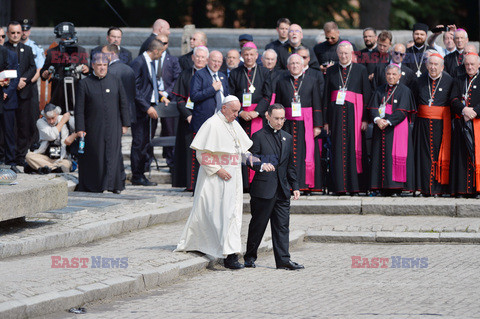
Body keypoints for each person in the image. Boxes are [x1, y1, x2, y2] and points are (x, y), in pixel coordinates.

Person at [175, 96, 253, 270]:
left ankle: (230, 253)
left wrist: (250, 158)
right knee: (215, 214)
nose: (236, 114)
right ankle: (228, 255)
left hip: (233, 178)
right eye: (233, 111)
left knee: (231, 214)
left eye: (238, 111)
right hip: (215, 178)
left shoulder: (233, 123)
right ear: (224, 108)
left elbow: (241, 148)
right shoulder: (211, 124)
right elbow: (201, 154)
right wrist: (218, 169)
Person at [244, 103, 303, 270]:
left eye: (282, 118)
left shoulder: (288, 137)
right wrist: (261, 165)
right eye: (276, 118)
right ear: (267, 116)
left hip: (282, 190)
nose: (279, 122)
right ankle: (249, 257)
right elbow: (250, 158)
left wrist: (295, 186)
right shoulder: (258, 136)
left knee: (282, 226)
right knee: (258, 225)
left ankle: (283, 260)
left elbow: (290, 165)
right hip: (263, 190)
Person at [75, 53, 131, 193]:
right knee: (97, 155)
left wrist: (125, 123)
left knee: (113, 155)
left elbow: (123, 102)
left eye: (104, 65)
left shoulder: (115, 80)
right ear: (93, 65)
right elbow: (79, 109)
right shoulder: (84, 83)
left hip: (114, 125)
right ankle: (97, 185)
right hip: (93, 126)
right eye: (99, 65)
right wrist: (80, 128)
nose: (102, 68)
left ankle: (113, 185)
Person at [323, 41, 372, 195]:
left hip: (355, 118)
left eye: (346, 53)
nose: (343, 56)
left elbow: (366, 95)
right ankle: (338, 187)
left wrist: (365, 119)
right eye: (341, 53)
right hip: (336, 118)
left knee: (354, 149)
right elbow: (325, 97)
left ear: (351, 54)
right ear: (337, 54)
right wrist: (326, 122)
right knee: (337, 150)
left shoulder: (360, 70)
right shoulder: (330, 71)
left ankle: (356, 187)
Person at [273, 54, 323, 192]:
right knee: (287, 153)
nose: (294, 66)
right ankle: (287, 184)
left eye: (297, 63)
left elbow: (317, 103)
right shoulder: (281, 81)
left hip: (306, 124)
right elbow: (278, 104)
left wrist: (317, 125)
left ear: (303, 65)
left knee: (306, 153)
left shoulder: (312, 81)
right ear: (288, 66)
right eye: (292, 63)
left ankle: (306, 185)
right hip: (287, 124)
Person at [367, 64, 415, 196]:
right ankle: (381, 187)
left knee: (393, 157)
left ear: (399, 76)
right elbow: (372, 107)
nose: (391, 77)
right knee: (380, 157)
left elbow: (402, 111)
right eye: (389, 74)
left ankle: (395, 187)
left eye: (394, 74)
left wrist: (387, 121)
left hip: (396, 128)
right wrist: (377, 119)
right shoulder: (380, 89)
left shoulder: (405, 90)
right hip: (380, 127)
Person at [228, 41, 271, 189]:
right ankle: (243, 183)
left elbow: (267, 95)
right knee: (240, 148)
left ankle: (257, 180)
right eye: (246, 54)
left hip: (257, 117)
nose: (248, 57)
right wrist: (240, 112)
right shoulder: (235, 73)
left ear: (256, 55)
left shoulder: (264, 72)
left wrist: (256, 112)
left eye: (251, 54)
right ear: (242, 55)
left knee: (257, 147)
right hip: (240, 117)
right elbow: (231, 95)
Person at [413, 53, 454, 197]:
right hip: (422, 124)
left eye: (436, 64)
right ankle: (423, 188)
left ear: (442, 67)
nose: (433, 67)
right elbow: (414, 101)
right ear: (426, 65)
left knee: (438, 155)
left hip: (442, 124)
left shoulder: (449, 81)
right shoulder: (419, 80)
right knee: (423, 156)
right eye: (430, 64)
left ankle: (438, 189)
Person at [171, 46, 209, 190]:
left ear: (207, 59)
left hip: (205, 120)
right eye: (197, 56)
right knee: (188, 152)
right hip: (188, 120)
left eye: (202, 57)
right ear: (192, 58)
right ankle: (189, 183)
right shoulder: (185, 74)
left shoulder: (210, 75)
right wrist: (188, 115)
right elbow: (180, 100)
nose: (199, 59)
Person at [129, 39, 164, 186]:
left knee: (145, 143)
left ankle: (141, 173)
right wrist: (146, 107)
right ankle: (137, 175)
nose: (161, 55)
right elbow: (134, 88)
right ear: (155, 51)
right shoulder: (139, 62)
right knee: (139, 143)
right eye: (161, 52)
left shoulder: (150, 63)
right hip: (141, 111)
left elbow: (150, 84)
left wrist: (159, 97)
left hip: (150, 108)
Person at [4, 21, 37, 172]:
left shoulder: (28, 49)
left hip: (24, 93)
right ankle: (7, 156)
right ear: (8, 33)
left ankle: (20, 156)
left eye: (18, 32)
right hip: (8, 95)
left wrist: (24, 79)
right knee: (10, 127)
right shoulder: (3, 49)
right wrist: (14, 82)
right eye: (13, 33)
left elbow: (33, 67)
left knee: (24, 126)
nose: (16, 35)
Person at [40, 22, 89, 114]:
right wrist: (45, 73)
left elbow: (87, 70)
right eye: (63, 37)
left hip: (76, 90)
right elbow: (43, 73)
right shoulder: (52, 52)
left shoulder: (80, 50)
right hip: (58, 93)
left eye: (69, 37)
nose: (66, 39)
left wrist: (86, 69)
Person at [449, 53, 480, 197]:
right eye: (467, 64)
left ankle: (477, 189)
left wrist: (474, 111)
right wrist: (464, 110)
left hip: (478, 123)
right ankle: (461, 190)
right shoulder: (458, 80)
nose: (469, 67)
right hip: (462, 123)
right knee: (461, 156)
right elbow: (453, 99)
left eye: (472, 64)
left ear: (478, 65)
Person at [25, 104, 76, 174]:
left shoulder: (65, 119)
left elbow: (81, 127)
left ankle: (44, 168)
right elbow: (52, 136)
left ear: (57, 114)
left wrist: (74, 136)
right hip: (46, 157)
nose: (51, 121)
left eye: (53, 118)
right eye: (48, 119)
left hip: (62, 159)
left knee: (66, 164)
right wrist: (62, 122)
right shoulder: (40, 122)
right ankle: (55, 169)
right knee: (29, 156)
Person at [189, 50, 229, 133]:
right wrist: (212, 89)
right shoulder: (199, 75)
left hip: (221, 119)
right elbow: (194, 96)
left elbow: (226, 95)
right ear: (208, 60)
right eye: (214, 61)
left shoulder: (222, 76)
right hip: (204, 121)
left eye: (219, 62)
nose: (216, 64)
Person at [102, 44, 136, 124]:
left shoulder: (108, 71)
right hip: (128, 112)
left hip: (112, 114)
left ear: (112, 53)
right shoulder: (129, 69)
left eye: (104, 54)